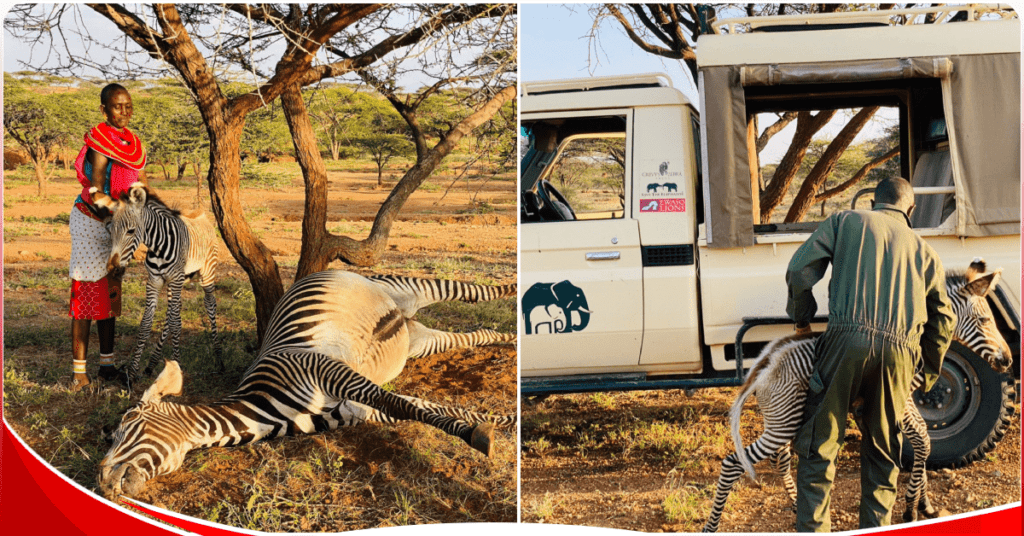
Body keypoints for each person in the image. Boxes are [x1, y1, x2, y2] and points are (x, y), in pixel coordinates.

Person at [785, 177, 955, 531]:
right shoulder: (925, 252)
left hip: (845, 341)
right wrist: (929, 370)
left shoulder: (845, 221)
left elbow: (799, 273)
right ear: (910, 209)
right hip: (900, 352)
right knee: (882, 453)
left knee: (821, 444)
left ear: (874, 201)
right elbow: (943, 318)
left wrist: (802, 320)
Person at [68, 83, 147, 393]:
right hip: (92, 220)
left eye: (128, 105)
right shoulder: (100, 142)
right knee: (88, 295)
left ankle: (107, 367)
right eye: (117, 106)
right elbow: (95, 191)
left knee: (110, 294)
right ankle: (79, 374)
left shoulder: (134, 143)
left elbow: (141, 188)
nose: (124, 112)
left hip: (118, 223)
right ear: (104, 109)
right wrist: (120, 226)